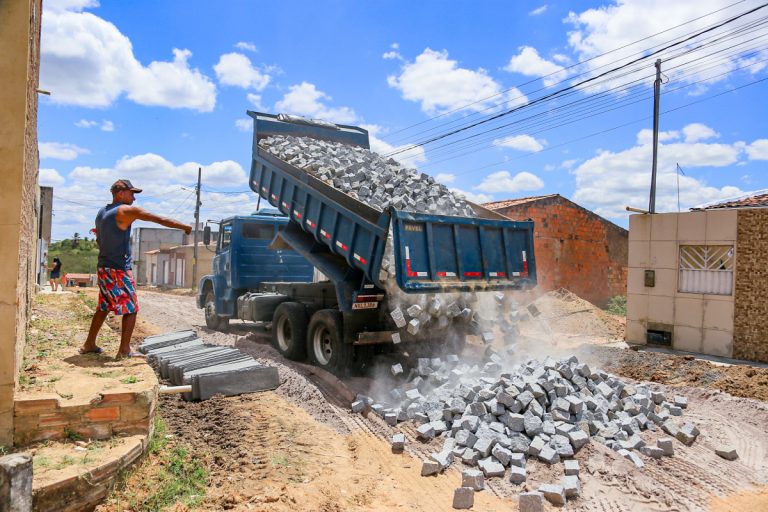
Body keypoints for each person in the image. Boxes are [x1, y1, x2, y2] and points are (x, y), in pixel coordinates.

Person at [79, 179, 192, 359]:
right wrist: (185, 227)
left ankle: (89, 344)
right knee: (131, 308)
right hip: (118, 269)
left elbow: (99, 240)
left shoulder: (102, 212)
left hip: (104, 267)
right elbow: (159, 219)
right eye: (131, 193)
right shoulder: (125, 210)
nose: (134, 198)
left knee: (104, 306)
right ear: (120, 193)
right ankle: (124, 350)